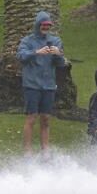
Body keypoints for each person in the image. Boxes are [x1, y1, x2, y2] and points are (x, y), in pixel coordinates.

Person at [16, 11, 66, 155]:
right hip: (32, 84)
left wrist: (58, 54)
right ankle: (28, 151)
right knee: (31, 117)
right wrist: (36, 52)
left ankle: (45, 151)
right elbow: (21, 56)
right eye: (43, 25)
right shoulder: (27, 40)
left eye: (48, 25)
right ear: (37, 25)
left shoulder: (56, 41)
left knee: (46, 118)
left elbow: (60, 64)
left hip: (49, 85)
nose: (45, 27)